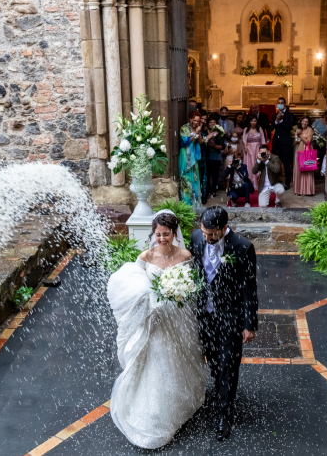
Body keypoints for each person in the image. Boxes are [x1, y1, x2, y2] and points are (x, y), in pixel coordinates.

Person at [108, 210, 208, 449]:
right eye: (158, 234)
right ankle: (155, 414)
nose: (162, 239)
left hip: (178, 316)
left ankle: (180, 401)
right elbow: (136, 286)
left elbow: (192, 286)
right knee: (158, 356)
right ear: (153, 234)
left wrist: (180, 291)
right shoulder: (146, 256)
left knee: (179, 357)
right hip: (155, 319)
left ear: (175, 233)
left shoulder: (185, 255)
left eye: (167, 234)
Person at [190, 206, 258, 441]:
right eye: (204, 232)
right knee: (214, 361)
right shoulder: (196, 238)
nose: (207, 238)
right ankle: (222, 392)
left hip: (231, 316)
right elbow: (195, 272)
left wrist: (250, 324)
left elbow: (250, 288)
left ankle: (224, 414)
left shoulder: (243, 247)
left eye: (212, 235)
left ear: (224, 228)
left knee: (228, 364)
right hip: (205, 316)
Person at [178, 111, 206, 206]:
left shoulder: (197, 128)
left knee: (194, 179)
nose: (195, 122)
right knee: (186, 180)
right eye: (194, 120)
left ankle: (195, 203)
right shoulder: (184, 128)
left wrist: (199, 131)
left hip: (194, 158)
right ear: (190, 119)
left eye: (197, 121)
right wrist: (196, 131)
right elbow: (185, 141)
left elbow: (201, 141)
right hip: (186, 156)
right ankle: (187, 204)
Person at [269, 97, 295, 190]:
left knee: (286, 163)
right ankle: (275, 181)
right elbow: (271, 128)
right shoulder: (275, 115)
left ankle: (287, 183)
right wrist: (276, 121)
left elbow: (288, 128)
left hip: (285, 143)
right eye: (278, 102)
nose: (280, 104)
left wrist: (281, 121)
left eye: (282, 103)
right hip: (276, 142)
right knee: (275, 162)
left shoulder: (289, 115)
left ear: (284, 104)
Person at [243, 115, 267, 191]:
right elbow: (244, 140)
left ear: (257, 122)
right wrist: (245, 148)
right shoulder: (246, 129)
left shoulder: (260, 129)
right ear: (249, 122)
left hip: (258, 149)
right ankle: (250, 184)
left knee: (258, 165)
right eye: (251, 121)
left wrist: (263, 151)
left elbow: (263, 140)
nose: (253, 122)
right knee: (250, 166)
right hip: (249, 150)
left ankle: (259, 184)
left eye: (255, 121)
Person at [293, 117, 316, 196]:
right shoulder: (299, 130)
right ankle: (299, 190)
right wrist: (296, 134)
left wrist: (300, 135)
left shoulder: (310, 130)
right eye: (303, 121)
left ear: (308, 123)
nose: (304, 123)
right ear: (301, 121)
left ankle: (307, 191)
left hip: (307, 151)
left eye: (306, 122)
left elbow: (308, 142)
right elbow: (296, 142)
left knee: (307, 169)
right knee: (299, 170)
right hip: (299, 150)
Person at [205, 113, 224, 198]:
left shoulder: (219, 134)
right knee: (208, 175)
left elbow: (221, 146)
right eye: (210, 122)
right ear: (208, 123)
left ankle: (214, 191)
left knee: (215, 175)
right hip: (208, 157)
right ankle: (208, 191)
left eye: (214, 122)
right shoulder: (205, 132)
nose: (212, 124)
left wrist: (213, 145)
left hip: (216, 157)